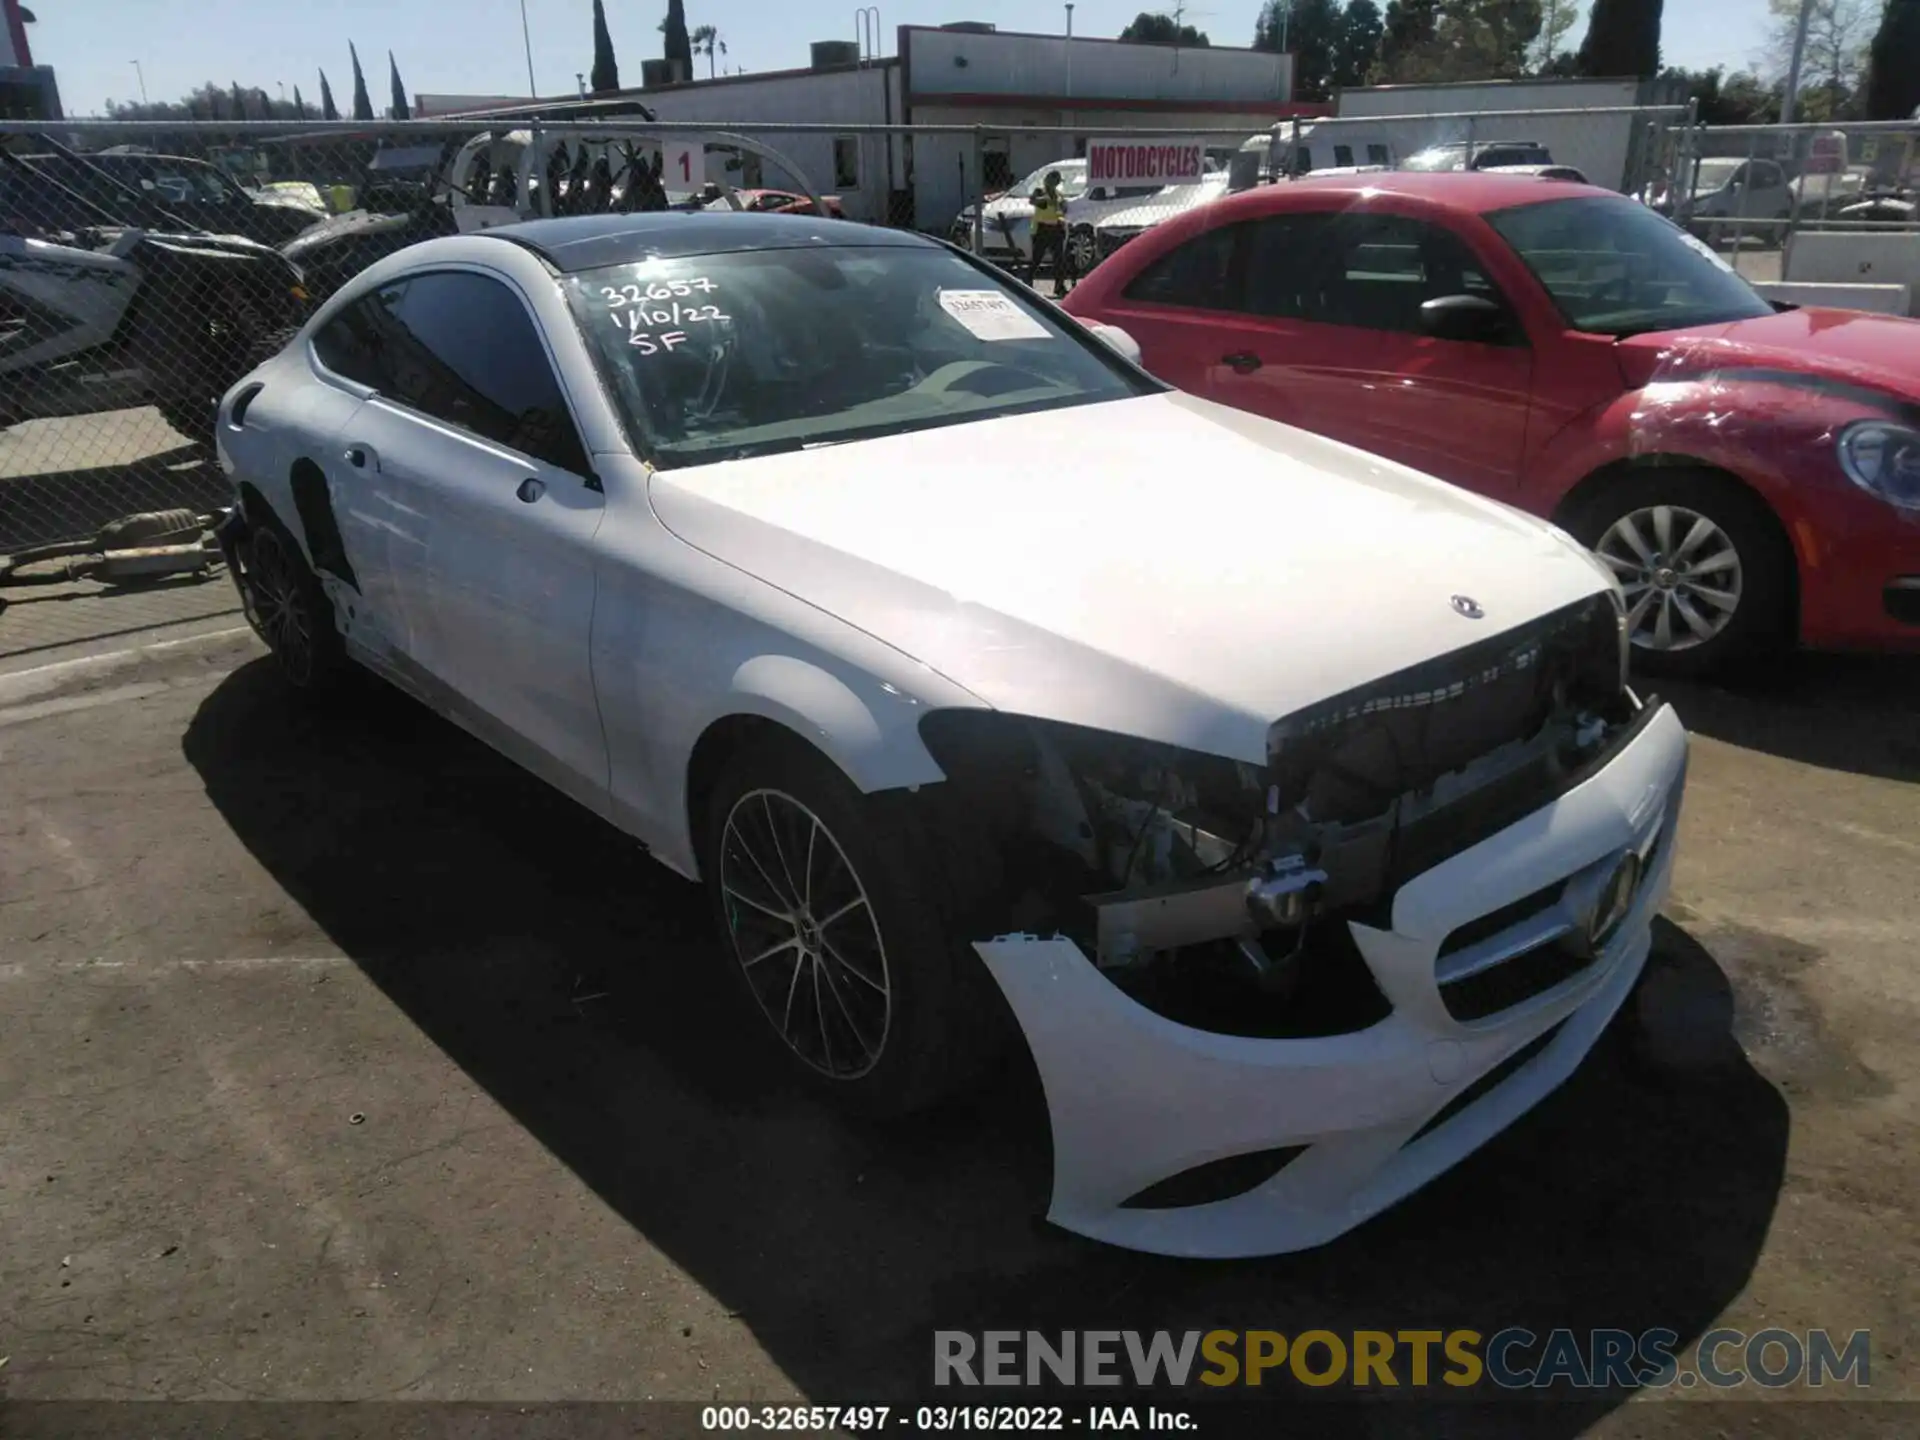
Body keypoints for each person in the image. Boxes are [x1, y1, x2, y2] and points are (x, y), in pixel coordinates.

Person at [1027, 169, 1072, 298]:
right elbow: (1033, 201)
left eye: (1058, 181)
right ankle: (1028, 283)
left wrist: (1062, 206)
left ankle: (1059, 287)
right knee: (1037, 258)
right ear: (1048, 180)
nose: (1056, 183)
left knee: (1059, 260)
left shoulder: (1059, 194)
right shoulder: (1040, 191)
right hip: (1042, 228)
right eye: (1054, 180)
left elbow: (1063, 209)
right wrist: (1047, 201)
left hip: (1056, 229)